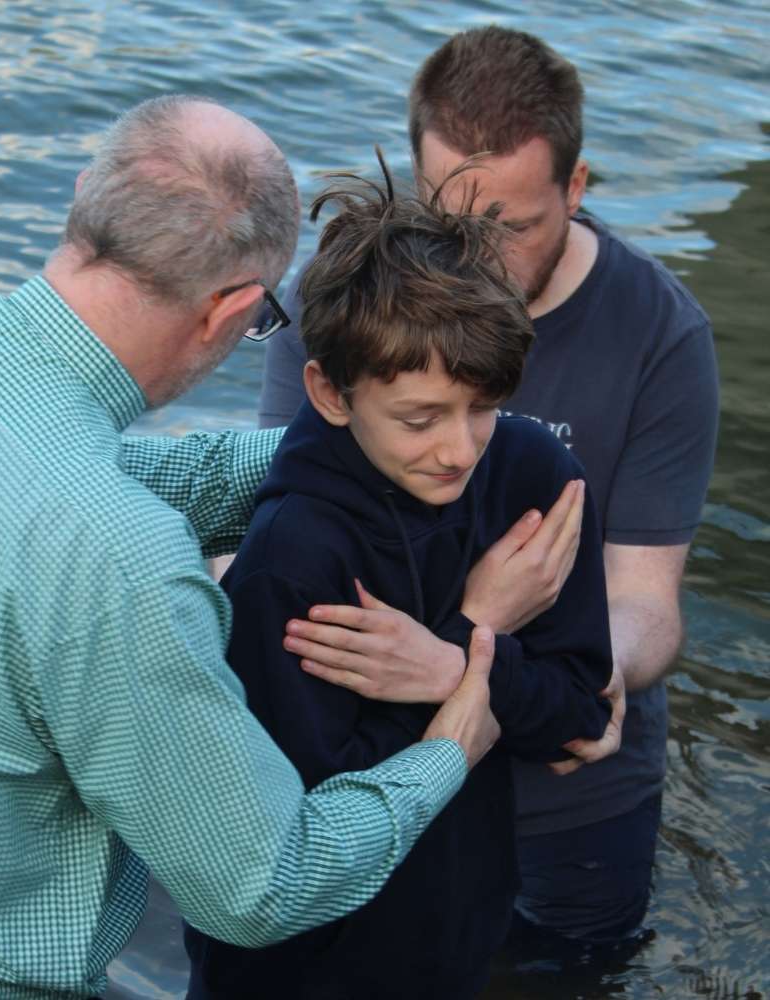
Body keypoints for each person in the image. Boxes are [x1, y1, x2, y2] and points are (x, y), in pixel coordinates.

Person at [0, 96, 502, 1000]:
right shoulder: (120, 559)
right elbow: (261, 886)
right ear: (230, 311)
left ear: (89, 195)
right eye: (261, 317)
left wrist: (371, 441)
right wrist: (449, 750)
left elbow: (66, 483)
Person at [260, 26, 719, 945]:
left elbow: (645, 603)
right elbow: (276, 533)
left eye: (508, 227)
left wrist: (543, 676)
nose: (471, 257)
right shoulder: (343, 307)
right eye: (446, 214)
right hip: (379, 779)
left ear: (576, 189)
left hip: (569, 799)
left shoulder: (662, 333)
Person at [184, 155, 614, 1000]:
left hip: (458, 932)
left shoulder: (534, 478)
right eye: (420, 419)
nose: (459, 449)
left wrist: (455, 666)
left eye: (482, 406)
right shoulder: (291, 557)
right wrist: (478, 638)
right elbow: (292, 834)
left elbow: (581, 715)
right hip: (291, 973)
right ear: (330, 392)